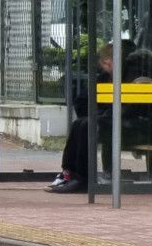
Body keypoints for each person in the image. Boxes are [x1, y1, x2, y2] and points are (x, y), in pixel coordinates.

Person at [47, 40, 134, 193]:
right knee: (79, 124)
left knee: (87, 125)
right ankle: (69, 172)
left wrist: (101, 116)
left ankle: (82, 178)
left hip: (135, 124)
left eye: (108, 62)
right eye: (105, 63)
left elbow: (131, 107)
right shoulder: (104, 77)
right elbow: (82, 99)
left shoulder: (133, 75)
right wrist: (97, 115)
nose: (106, 66)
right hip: (110, 120)